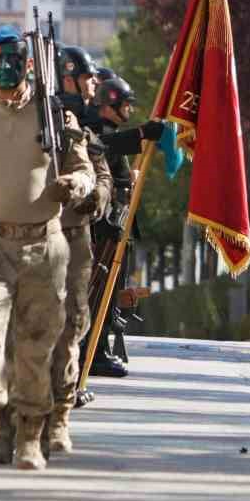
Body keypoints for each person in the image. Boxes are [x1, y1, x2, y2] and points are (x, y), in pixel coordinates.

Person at [0, 26, 97, 471]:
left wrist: (77, 184)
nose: (6, 66)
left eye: (15, 58)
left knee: (34, 345)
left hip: (43, 246)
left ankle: (29, 434)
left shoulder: (54, 117)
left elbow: (83, 166)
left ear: (29, 64)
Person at [44, 46, 114, 454]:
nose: (92, 86)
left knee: (71, 324)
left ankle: (60, 409)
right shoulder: (35, 116)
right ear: (67, 77)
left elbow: (101, 171)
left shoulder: (81, 124)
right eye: (86, 78)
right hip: (33, 234)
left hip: (73, 235)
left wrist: (94, 197)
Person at [79, 68, 165, 382]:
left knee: (110, 292)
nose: (129, 111)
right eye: (125, 104)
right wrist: (142, 134)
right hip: (103, 226)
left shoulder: (107, 131)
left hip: (117, 224)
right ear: (109, 104)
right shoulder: (94, 130)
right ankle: (94, 352)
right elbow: (103, 146)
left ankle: (101, 348)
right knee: (99, 292)